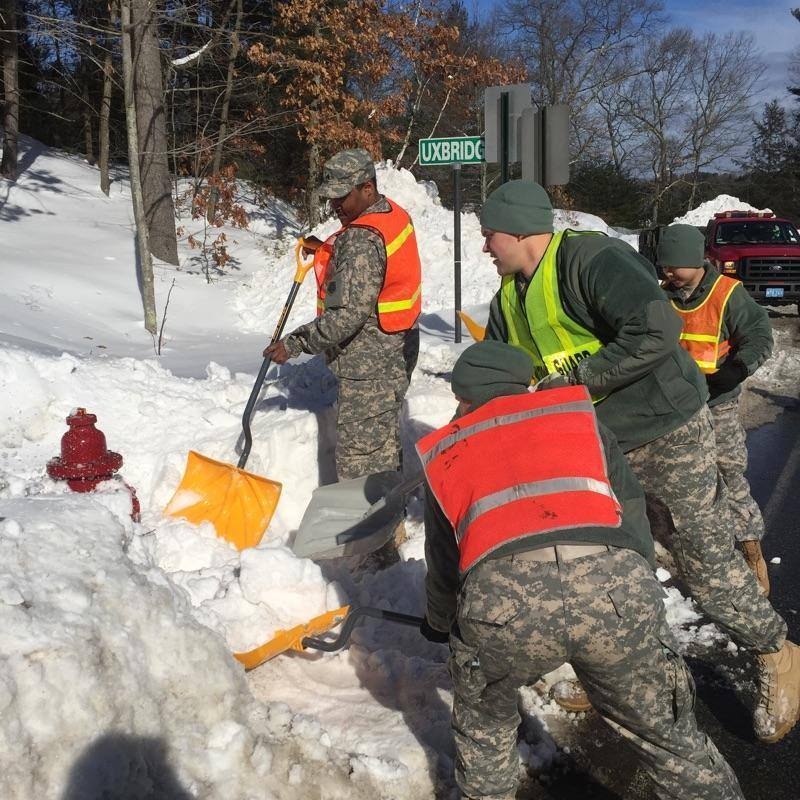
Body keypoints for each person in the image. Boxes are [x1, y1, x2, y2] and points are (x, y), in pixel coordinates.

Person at [478, 179, 799, 743]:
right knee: (617, 565)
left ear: (522, 230)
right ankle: (627, 676)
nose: (485, 246)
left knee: (700, 559)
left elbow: (658, 328)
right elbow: (507, 371)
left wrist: (577, 379)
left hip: (666, 427)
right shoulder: (508, 297)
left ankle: (775, 652)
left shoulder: (590, 258)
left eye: (490, 235)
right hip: (599, 445)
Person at [418, 340, 744, 800]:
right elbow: (630, 507)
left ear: (465, 397)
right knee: (669, 740)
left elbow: (445, 560)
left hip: (505, 608)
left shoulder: (448, 449)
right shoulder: (580, 419)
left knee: (486, 732)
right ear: (522, 385)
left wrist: (439, 622)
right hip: (613, 589)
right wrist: (637, 582)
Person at [264, 148, 421, 483]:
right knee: (382, 448)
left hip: (371, 368)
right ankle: (390, 525)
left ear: (367, 188)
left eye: (341, 196)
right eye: (330, 197)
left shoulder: (360, 239)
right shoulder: (392, 213)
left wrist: (295, 343)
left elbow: (347, 315)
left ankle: (371, 535)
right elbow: (373, 270)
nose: (335, 205)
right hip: (397, 350)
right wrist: (329, 249)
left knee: (361, 470)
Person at [659, 224, 773, 594]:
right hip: (675, 407)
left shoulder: (728, 295)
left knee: (728, 474)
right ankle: (691, 554)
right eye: (664, 267)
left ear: (695, 261)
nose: (668, 274)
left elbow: (758, 335)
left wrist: (738, 369)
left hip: (717, 404)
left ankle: (749, 549)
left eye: (674, 267)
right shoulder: (661, 297)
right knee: (681, 483)